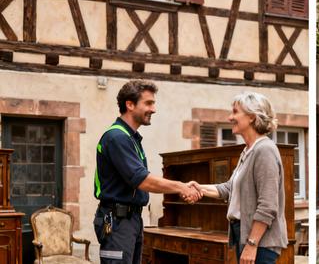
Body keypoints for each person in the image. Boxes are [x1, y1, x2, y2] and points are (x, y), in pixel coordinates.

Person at [93, 80, 203, 264]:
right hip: (118, 222)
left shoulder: (130, 138)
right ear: (129, 104)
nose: (154, 109)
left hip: (131, 219)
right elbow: (143, 181)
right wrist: (182, 187)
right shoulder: (117, 137)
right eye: (148, 103)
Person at [190, 92, 289, 264]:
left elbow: (268, 205)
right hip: (244, 235)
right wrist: (198, 188)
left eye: (235, 112)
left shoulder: (264, 150)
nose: (230, 117)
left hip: (260, 242)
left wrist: (252, 244)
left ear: (251, 117)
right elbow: (229, 189)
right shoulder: (248, 151)